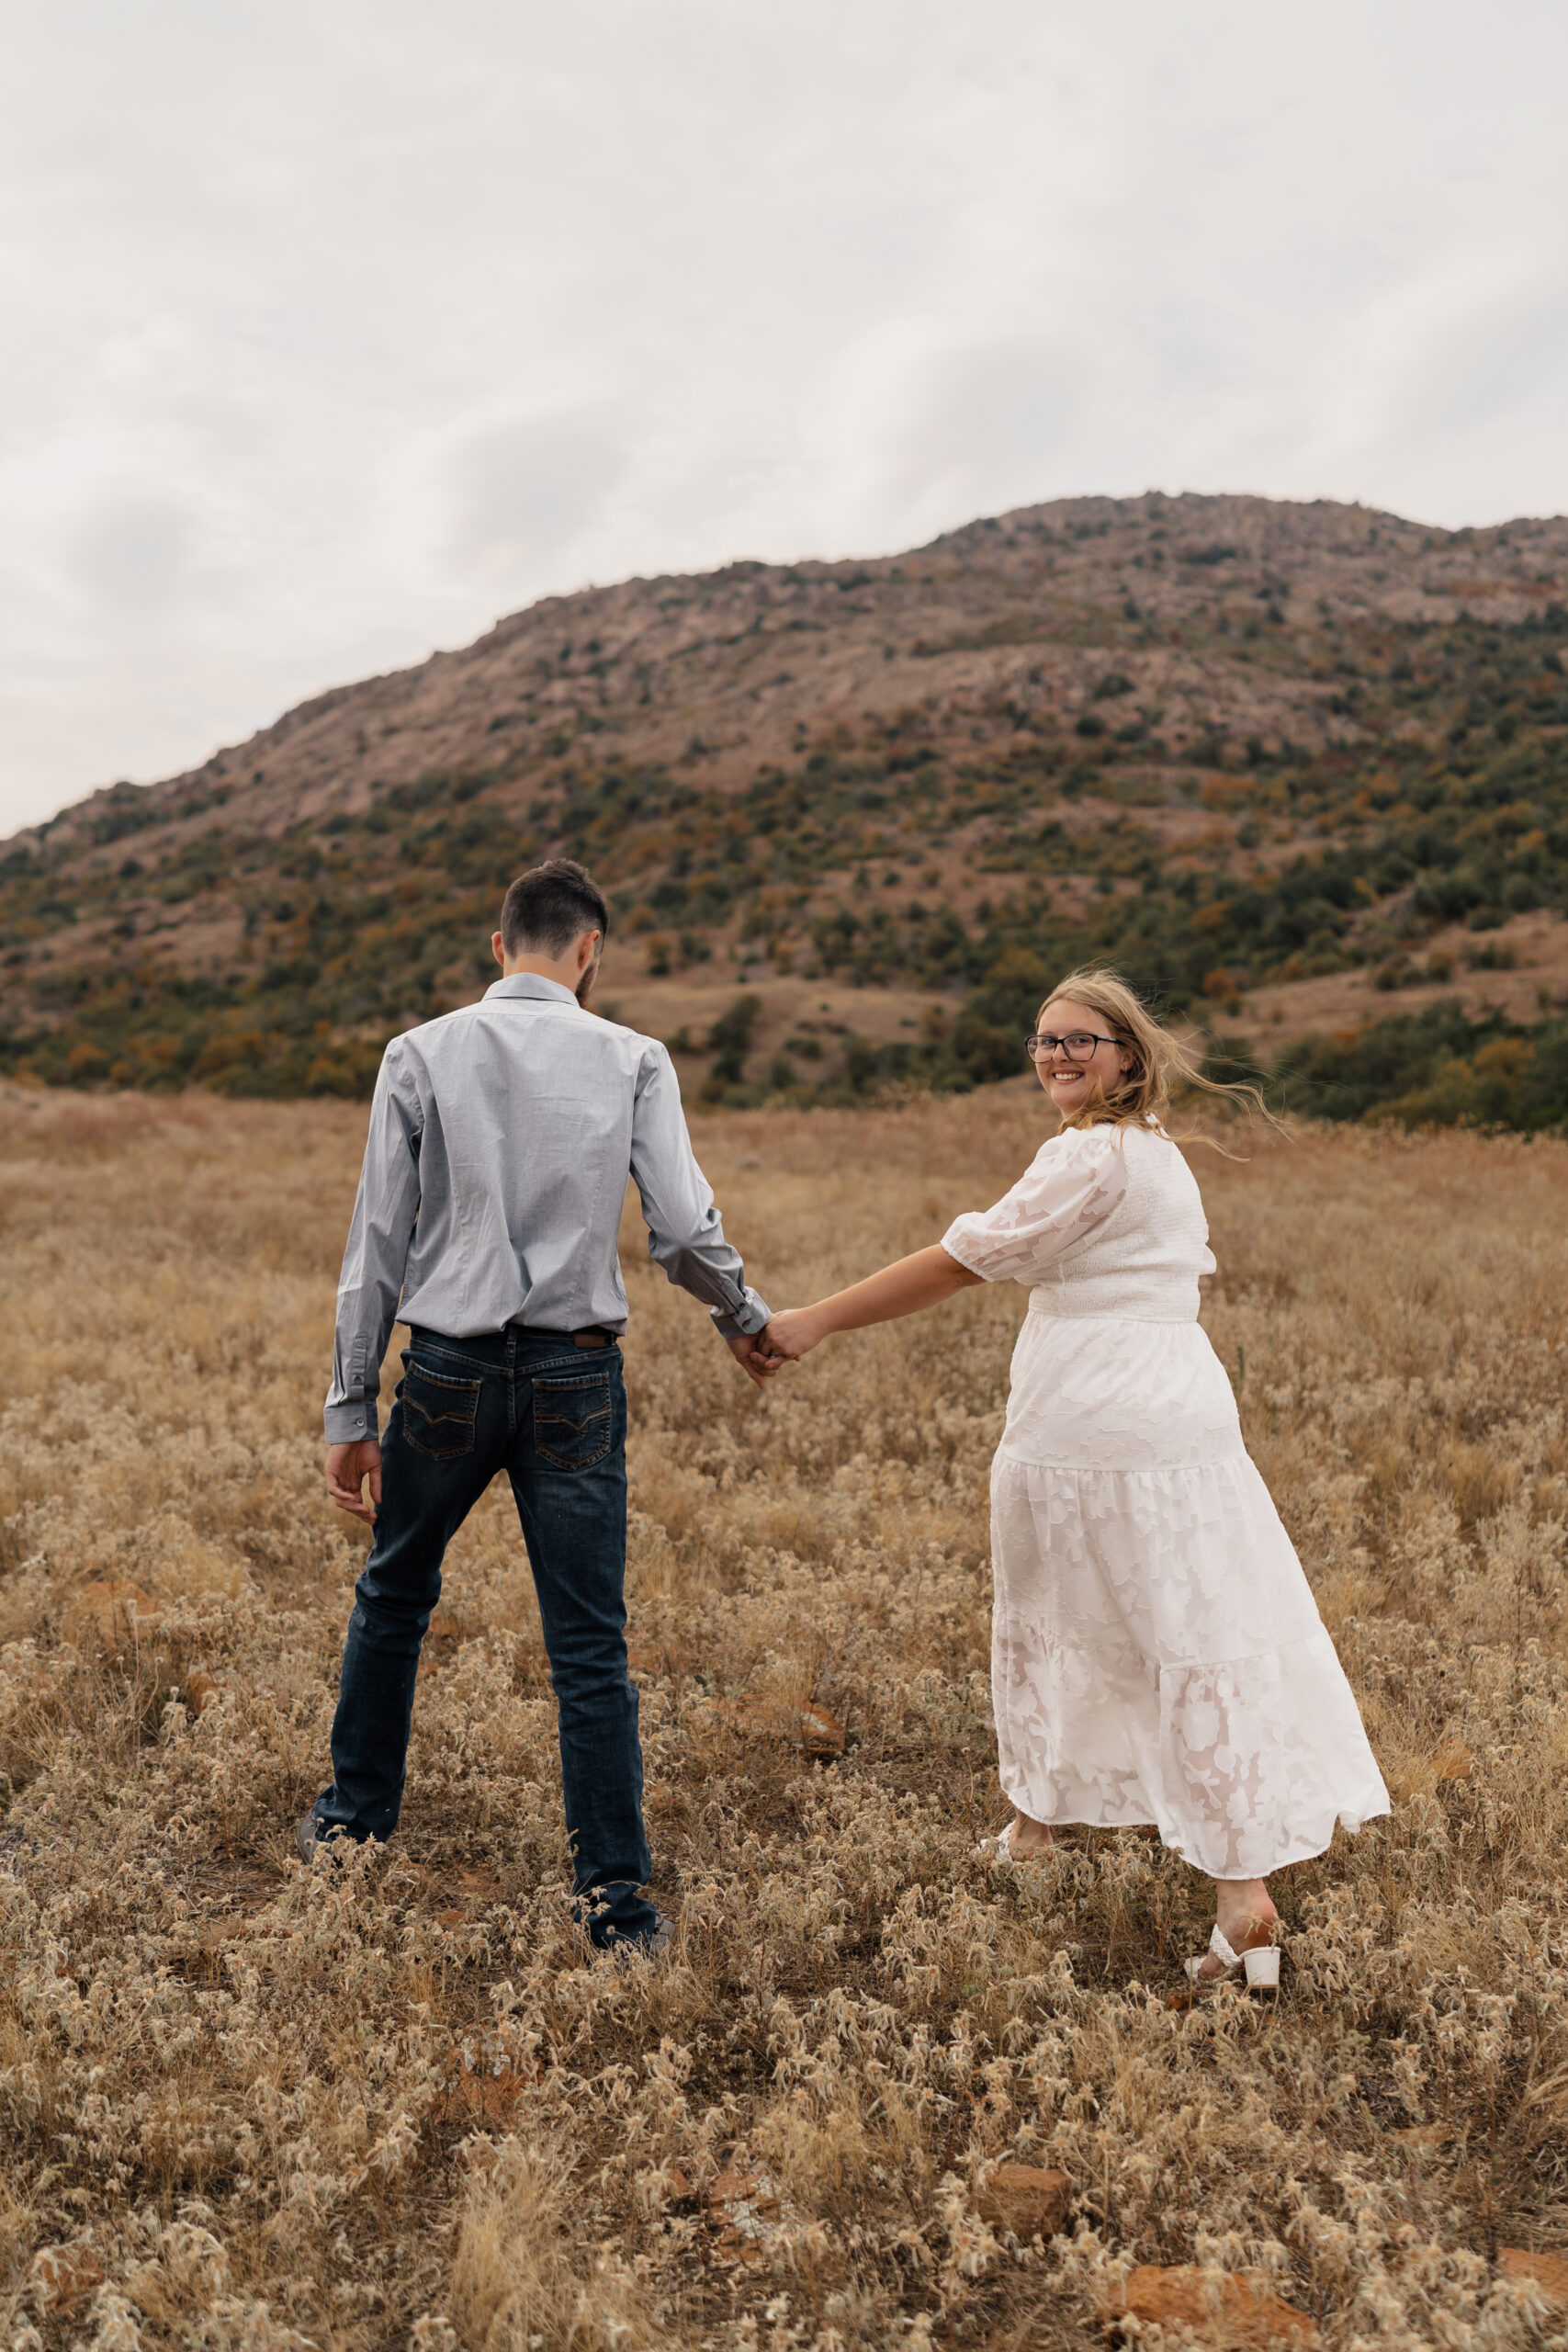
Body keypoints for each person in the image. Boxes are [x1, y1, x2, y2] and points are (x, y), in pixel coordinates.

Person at [764, 968, 1389, 1986]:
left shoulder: (1091, 1156)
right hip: (1183, 1412)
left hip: (1092, 1416)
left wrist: (814, 1320)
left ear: (1128, 1057)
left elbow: (964, 1258)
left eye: (1081, 1040)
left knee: (1064, 1613)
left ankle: (1143, 1865)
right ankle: (1123, 1859)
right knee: (1192, 1626)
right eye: (1044, 1041)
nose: (1057, 1055)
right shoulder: (1157, 1154)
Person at [306, 858, 777, 1960]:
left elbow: (375, 1243)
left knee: (393, 1599)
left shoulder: (418, 1053)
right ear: (589, 951)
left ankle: (349, 1832)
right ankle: (615, 1899)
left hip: (445, 1373)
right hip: (575, 1373)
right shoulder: (633, 1058)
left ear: (498, 944)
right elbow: (682, 1226)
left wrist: (348, 1405)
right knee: (588, 1646)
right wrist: (741, 1313)